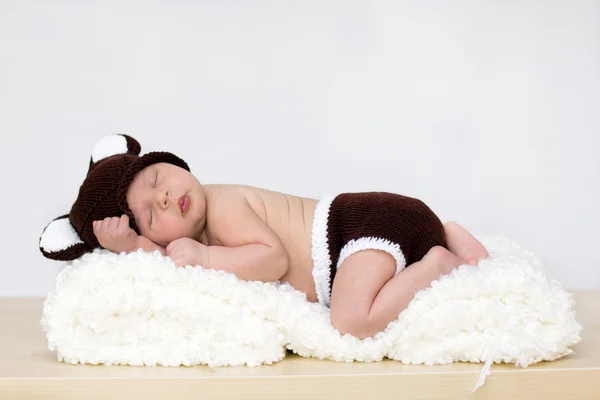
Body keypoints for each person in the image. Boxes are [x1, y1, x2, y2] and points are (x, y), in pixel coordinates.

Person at [40, 134, 488, 339]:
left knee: (352, 322)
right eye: (149, 215)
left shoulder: (223, 204)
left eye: (159, 177)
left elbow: (271, 260)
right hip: (368, 235)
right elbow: (168, 261)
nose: (164, 197)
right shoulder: (187, 238)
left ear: (172, 162)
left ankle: (437, 262)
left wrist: (205, 258)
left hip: (361, 227)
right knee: (356, 307)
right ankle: (451, 235)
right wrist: (131, 247)